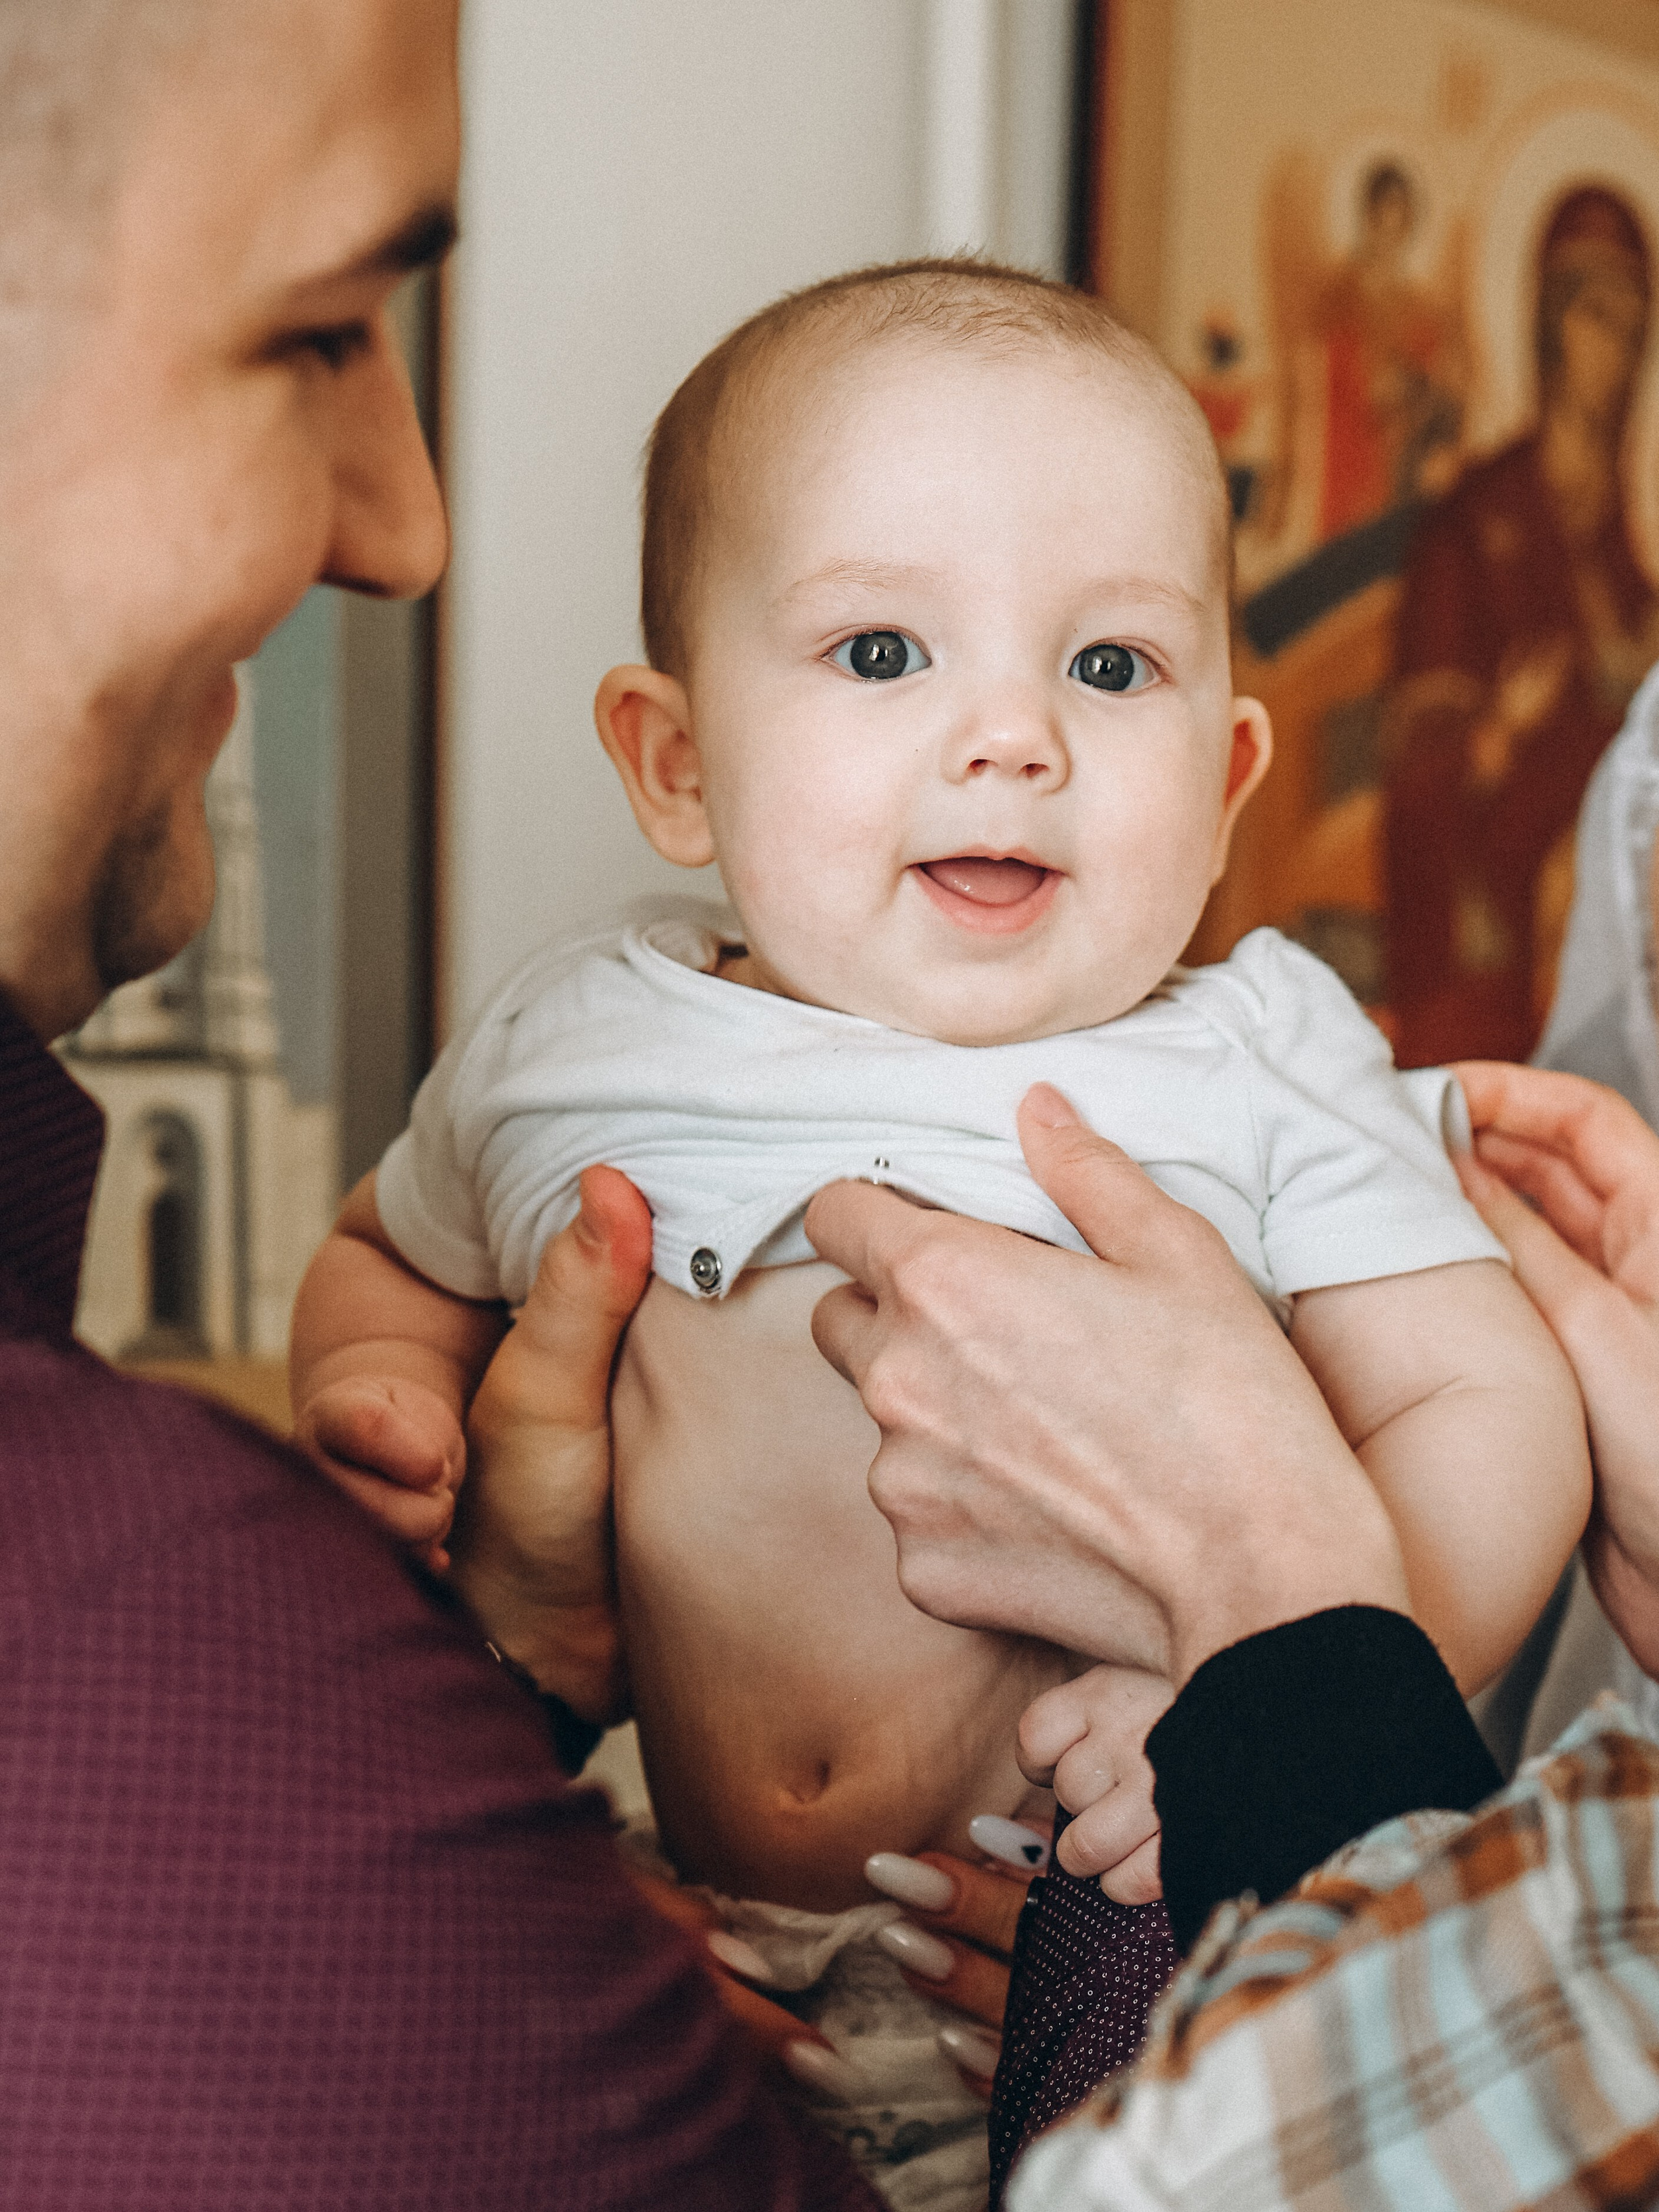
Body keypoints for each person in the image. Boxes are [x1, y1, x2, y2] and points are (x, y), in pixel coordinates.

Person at [287, 259, 1586, 2203]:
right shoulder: (585, 1040)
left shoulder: (1258, 1057)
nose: (1013, 738)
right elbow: (394, 1254)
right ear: (674, 763)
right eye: (884, 650)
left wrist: (1266, 1698)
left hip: (1116, 1971)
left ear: (1229, 783)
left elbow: (1493, 1406)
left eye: (1111, 668)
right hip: (687, 1941)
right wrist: (387, 1395)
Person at [1384, 187, 1656, 1069]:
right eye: (1594, 316)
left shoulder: (1622, 553)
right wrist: (1497, 730)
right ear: (1548, 325)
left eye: (1632, 326)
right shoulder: (1473, 523)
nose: (1613, 350)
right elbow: (1415, 760)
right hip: (1495, 891)